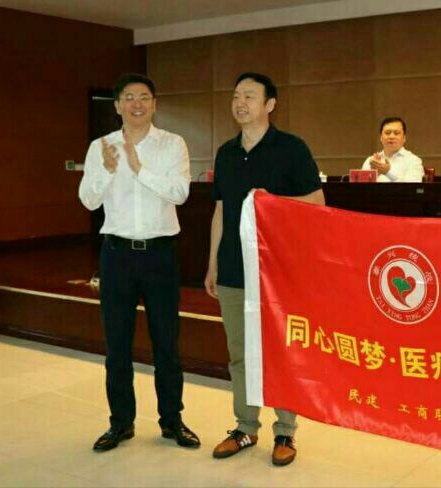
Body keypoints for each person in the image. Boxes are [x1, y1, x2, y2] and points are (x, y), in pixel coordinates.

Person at [204, 72, 325, 466]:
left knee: (281, 352)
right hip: (233, 268)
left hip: (279, 272)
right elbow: (220, 210)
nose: (240, 103)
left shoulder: (292, 149)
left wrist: (273, 203)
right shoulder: (225, 153)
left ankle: (286, 431)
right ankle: (245, 426)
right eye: (236, 96)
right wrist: (213, 262)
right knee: (239, 354)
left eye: (250, 96)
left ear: (270, 104)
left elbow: (317, 203)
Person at [79, 73, 200, 451]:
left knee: (167, 342)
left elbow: (180, 193)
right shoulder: (100, 147)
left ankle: (172, 421)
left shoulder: (172, 144)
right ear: (117, 105)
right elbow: (88, 200)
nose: (137, 104)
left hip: (160, 254)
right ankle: (121, 423)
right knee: (117, 345)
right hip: (116, 255)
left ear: (154, 104)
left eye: (144, 97)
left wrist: (137, 168)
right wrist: (108, 170)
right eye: (129, 98)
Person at [361, 116, 424, 182]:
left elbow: (411, 187)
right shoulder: (371, 161)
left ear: (404, 138)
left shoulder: (413, 161)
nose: (391, 137)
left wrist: (388, 172)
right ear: (381, 138)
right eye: (387, 133)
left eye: (396, 133)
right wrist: (373, 175)